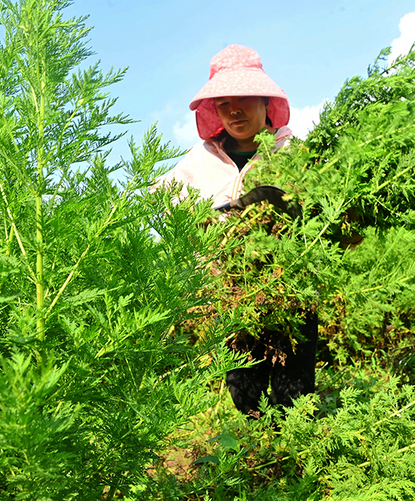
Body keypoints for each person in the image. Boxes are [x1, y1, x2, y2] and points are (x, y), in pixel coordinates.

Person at [159, 44, 318, 419]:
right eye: (223, 101)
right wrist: (203, 217)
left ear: (265, 101)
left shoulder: (291, 151)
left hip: (287, 289)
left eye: (243, 98)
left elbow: (318, 206)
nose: (234, 110)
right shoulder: (201, 159)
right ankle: (264, 464)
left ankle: (298, 461)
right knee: (245, 395)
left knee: (293, 394)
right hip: (230, 295)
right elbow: (160, 198)